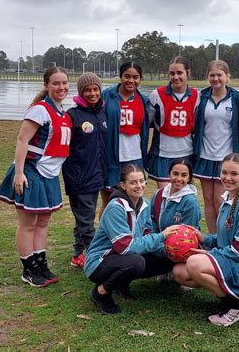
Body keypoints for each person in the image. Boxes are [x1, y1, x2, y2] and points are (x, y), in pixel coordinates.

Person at [173, 153, 239, 327]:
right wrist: (204, 238)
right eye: (224, 172)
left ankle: (236, 306)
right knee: (180, 273)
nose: (227, 178)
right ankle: (233, 296)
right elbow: (226, 239)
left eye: (234, 174)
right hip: (235, 260)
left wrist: (209, 253)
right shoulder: (229, 197)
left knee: (194, 263)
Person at [0, 67, 71, 287]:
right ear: (46, 85)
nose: (61, 87)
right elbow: (22, 141)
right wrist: (19, 173)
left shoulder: (62, 112)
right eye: (56, 83)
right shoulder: (40, 110)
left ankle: (40, 262)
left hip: (49, 175)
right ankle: (28, 268)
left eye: (64, 83)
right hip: (31, 171)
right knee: (28, 223)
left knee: (43, 221)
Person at [84, 164, 176, 314]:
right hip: (100, 262)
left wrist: (169, 249)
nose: (139, 186)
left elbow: (147, 236)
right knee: (136, 262)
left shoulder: (145, 204)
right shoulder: (115, 207)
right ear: (123, 185)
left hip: (125, 256)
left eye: (141, 181)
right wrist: (161, 236)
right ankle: (100, 293)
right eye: (133, 182)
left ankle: (121, 283)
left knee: (168, 258)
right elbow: (125, 247)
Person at [193, 60, 239, 233]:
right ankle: (213, 239)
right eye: (212, 75)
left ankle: (224, 238)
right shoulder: (202, 97)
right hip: (205, 156)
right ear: (207, 76)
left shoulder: (236, 98)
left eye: (219, 75)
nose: (216, 79)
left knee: (221, 200)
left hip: (226, 158)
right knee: (208, 200)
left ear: (227, 76)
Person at [62, 72, 108, 269]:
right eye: (87, 90)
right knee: (86, 220)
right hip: (79, 177)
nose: (92, 93)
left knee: (84, 218)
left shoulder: (102, 113)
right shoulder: (73, 115)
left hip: (98, 175)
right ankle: (93, 257)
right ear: (81, 92)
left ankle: (77, 254)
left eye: (95, 89)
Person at [100, 61, 150, 214]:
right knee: (109, 201)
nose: (131, 80)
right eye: (127, 76)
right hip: (111, 155)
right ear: (121, 76)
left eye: (135, 77)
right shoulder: (107, 95)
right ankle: (106, 235)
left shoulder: (143, 100)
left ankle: (131, 234)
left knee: (133, 199)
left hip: (134, 156)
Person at [148, 56, 198, 188]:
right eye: (172, 73)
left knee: (185, 196)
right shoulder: (157, 94)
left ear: (188, 73)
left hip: (186, 153)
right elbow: (146, 122)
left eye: (179, 73)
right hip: (163, 153)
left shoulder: (197, 96)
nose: (176, 77)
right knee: (166, 197)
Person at [150, 158, 202, 233]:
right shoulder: (159, 194)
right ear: (169, 174)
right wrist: (154, 239)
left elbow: (188, 234)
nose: (178, 179)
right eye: (175, 174)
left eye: (184, 175)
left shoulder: (191, 203)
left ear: (189, 178)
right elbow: (151, 221)